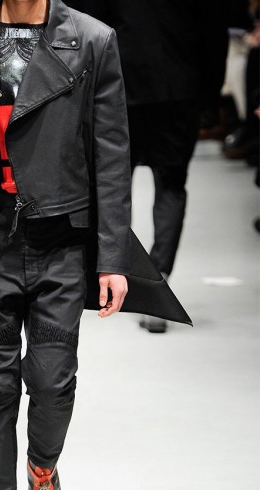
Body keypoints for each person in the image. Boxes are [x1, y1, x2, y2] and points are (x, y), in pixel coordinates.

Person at [0, 0, 132, 488]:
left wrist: (112, 258)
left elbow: (112, 154)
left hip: (61, 234)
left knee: (52, 380)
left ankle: (42, 467)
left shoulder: (93, 41)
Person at [68, 0, 229, 333]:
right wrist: (210, 96)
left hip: (121, 85)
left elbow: (88, 22)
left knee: (112, 182)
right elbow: (214, 34)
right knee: (171, 184)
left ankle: (113, 274)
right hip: (179, 87)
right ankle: (157, 281)